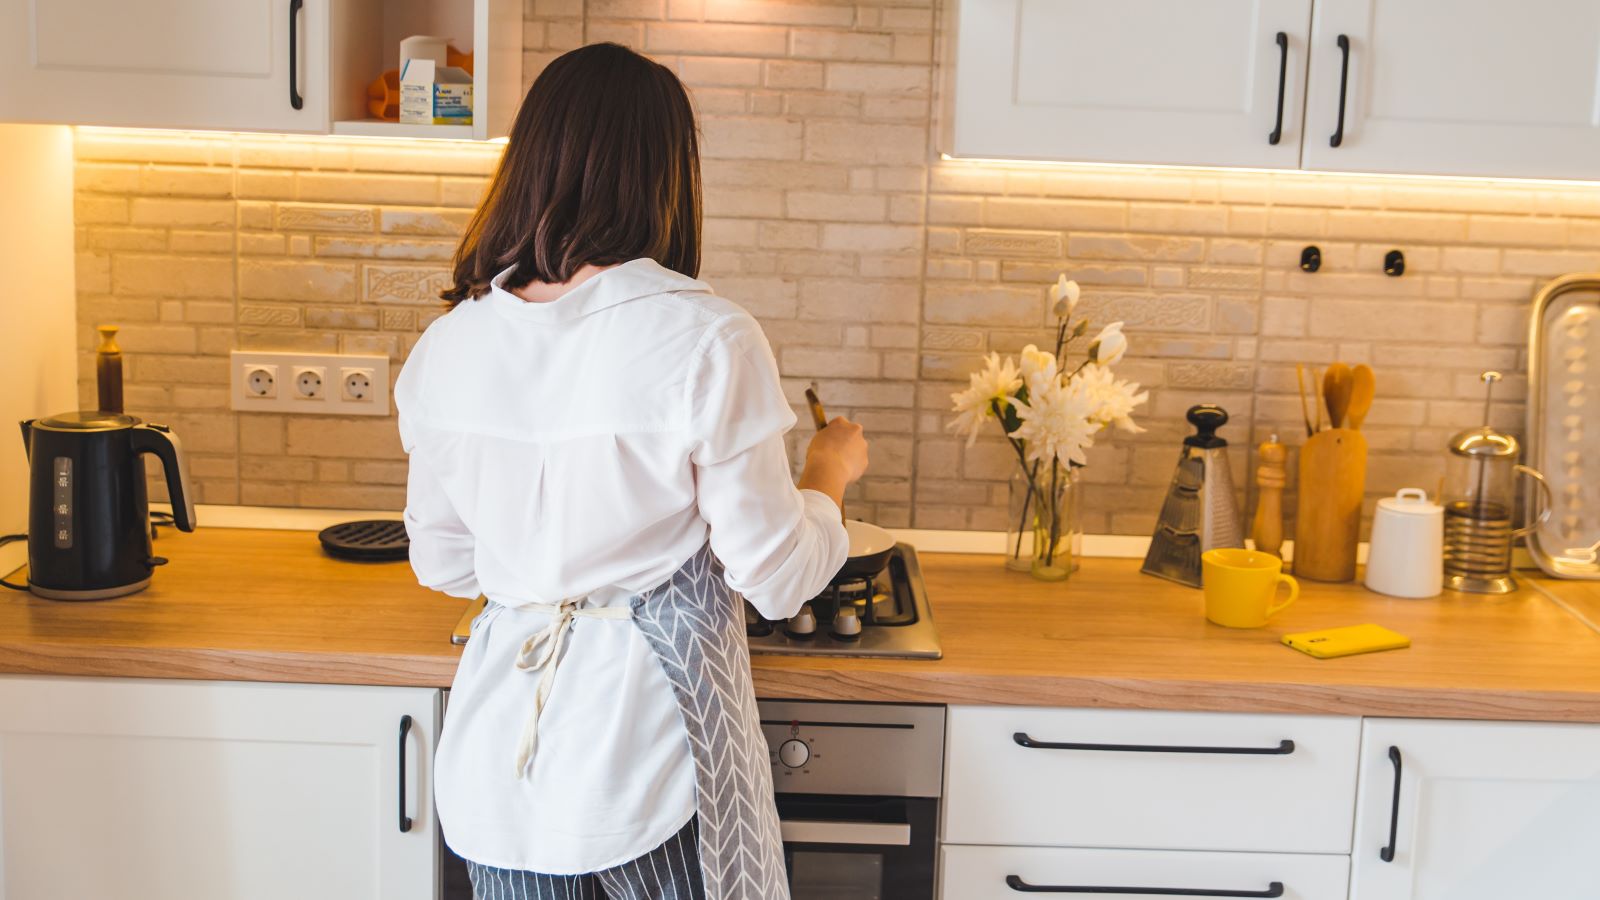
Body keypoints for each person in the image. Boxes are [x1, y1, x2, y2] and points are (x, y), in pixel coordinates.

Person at [396, 42, 867, 900]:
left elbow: (446, 562)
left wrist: (544, 561)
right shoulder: (707, 337)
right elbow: (776, 576)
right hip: (648, 763)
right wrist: (827, 476)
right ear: (666, 176)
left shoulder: (448, 345)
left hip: (504, 779)